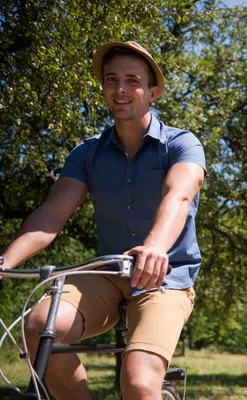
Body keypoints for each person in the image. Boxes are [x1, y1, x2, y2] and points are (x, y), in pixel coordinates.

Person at [0, 41, 206, 399]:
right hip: (108, 274)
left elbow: (179, 195)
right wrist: (4, 263)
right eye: (112, 80)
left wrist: (156, 247)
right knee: (38, 326)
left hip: (166, 277)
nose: (121, 89)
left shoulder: (181, 144)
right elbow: (52, 214)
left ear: (152, 91)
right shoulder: (87, 153)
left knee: (140, 384)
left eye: (132, 80)